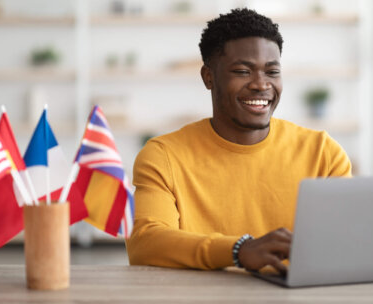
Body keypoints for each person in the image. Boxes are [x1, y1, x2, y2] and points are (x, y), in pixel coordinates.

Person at [126, 8, 352, 273]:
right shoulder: (163, 156)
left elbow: (346, 244)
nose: (260, 84)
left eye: (272, 71)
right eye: (243, 71)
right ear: (208, 77)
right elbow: (146, 243)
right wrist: (239, 250)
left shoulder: (323, 153)